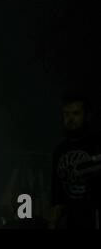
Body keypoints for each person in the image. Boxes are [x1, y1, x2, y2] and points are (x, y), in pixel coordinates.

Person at [50, 94, 101, 229]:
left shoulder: (97, 145)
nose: (70, 119)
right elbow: (57, 195)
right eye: (66, 114)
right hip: (70, 221)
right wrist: (53, 222)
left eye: (75, 113)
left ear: (87, 116)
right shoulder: (59, 151)